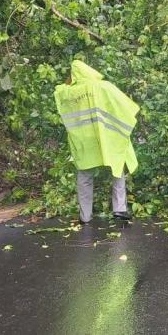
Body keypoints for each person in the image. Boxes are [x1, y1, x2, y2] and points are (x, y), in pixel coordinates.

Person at [54, 60, 139, 223]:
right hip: (104, 137)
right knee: (117, 167)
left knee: (84, 175)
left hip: (83, 141)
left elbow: (59, 90)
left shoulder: (67, 93)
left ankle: (85, 216)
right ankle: (119, 209)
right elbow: (125, 105)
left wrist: (71, 81)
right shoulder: (102, 87)